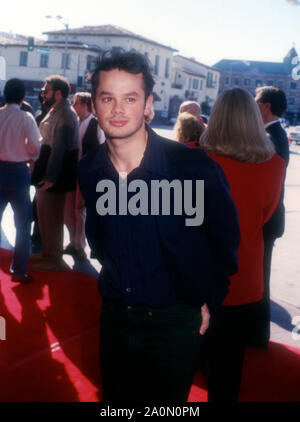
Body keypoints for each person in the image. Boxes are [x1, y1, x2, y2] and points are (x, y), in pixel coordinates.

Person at [78, 49, 240, 402]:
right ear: (94, 105)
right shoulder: (90, 169)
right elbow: (100, 240)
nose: (118, 109)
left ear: (148, 105)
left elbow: (224, 241)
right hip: (116, 316)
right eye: (108, 97)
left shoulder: (192, 168)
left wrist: (209, 298)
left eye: (130, 98)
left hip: (176, 321)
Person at [200, 88, 285, 401]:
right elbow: (264, 217)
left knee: (182, 363)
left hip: (191, 274)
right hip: (242, 275)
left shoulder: (188, 156)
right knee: (228, 368)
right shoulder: (274, 165)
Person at [31, 75, 79, 272]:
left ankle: (54, 259)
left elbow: (59, 150)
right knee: (43, 214)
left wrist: (50, 177)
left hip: (55, 174)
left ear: (58, 93)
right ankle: (47, 253)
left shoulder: (65, 114)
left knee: (53, 217)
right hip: (48, 171)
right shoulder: (55, 111)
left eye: (47, 89)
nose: (43, 93)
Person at [255, 86, 289, 348]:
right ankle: (256, 332)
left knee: (260, 280)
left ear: (266, 106)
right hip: (268, 218)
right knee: (258, 277)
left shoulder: (270, 136)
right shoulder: (274, 134)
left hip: (265, 219)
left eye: (256, 102)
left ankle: (257, 335)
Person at [0, 79, 41, 283]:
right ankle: (19, 270)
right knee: (23, 224)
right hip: (17, 171)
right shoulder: (26, 118)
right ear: (23, 97)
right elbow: (36, 147)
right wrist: (29, 156)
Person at [64, 92, 105, 262]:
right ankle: (73, 242)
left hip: (87, 175)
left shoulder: (97, 125)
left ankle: (79, 246)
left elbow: (103, 152)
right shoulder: (76, 122)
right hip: (71, 172)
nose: (73, 106)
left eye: (76, 103)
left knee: (80, 210)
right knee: (68, 211)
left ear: (85, 105)